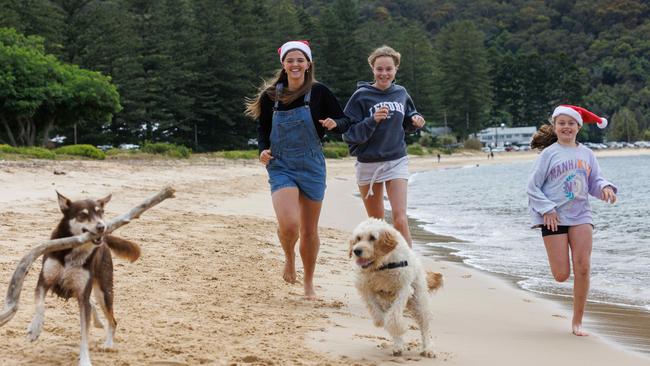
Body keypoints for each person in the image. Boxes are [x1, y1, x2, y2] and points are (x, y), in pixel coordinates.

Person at [245, 40, 349, 300]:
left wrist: (334, 123)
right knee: (290, 225)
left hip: (313, 164)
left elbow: (346, 121)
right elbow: (263, 128)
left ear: (308, 64)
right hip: (281, 164)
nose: (295, 64)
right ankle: (289, 258)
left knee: (310, 230)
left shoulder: (320, 92)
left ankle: (309, 284)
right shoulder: (272, 95)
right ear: (283, 64)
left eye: (300, 60)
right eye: (290, 60)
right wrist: (262, 149)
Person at [527, 105, 617, 336]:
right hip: (554, 218)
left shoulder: (587, 153)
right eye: (561, 123)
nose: (566, 126)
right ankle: (569, 302)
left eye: (571, 123)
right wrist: (547, 208)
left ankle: (577, 323)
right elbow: (532, 186)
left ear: (579, 127)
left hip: (581, 216)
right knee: (561, 275)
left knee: (583, 268)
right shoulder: (549, 154)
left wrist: (605, 188)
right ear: (555, 127)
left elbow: (595, 181)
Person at [342, 45, 425, 247]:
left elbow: (407, 119)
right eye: (380, 69)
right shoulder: (360, 96)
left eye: (389, 69)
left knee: (400, 219)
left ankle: (408, 267)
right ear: (373, 69)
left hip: (396, 159)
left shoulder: (401, 93)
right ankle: (381, 267)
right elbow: (348, 133)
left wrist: (415, 120)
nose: (384, 73)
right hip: (368, 163)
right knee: (376, 224)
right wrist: (372, 120)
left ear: (396, 69)